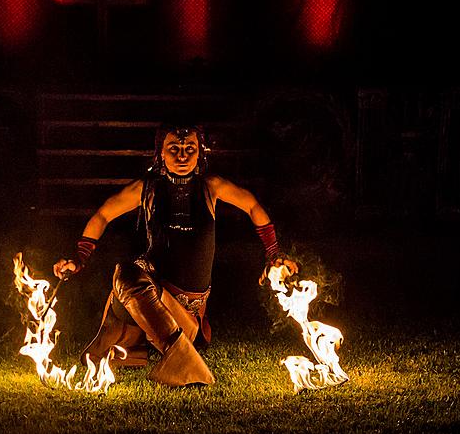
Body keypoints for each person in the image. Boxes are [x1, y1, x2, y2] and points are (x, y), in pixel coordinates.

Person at [53, 122, 298, 387]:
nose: (182, 156)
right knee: (126, 275)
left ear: (199, 153)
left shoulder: (210, 187)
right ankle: (173, 358)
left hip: (186, 320)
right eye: (174, 148)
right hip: (146, 304)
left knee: (126, 276)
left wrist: (273, 253)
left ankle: (184, 360)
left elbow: (252, 206)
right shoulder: (146, 189)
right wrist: (80, 257)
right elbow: (103, 214)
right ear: (160, 153)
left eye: (189, 148)